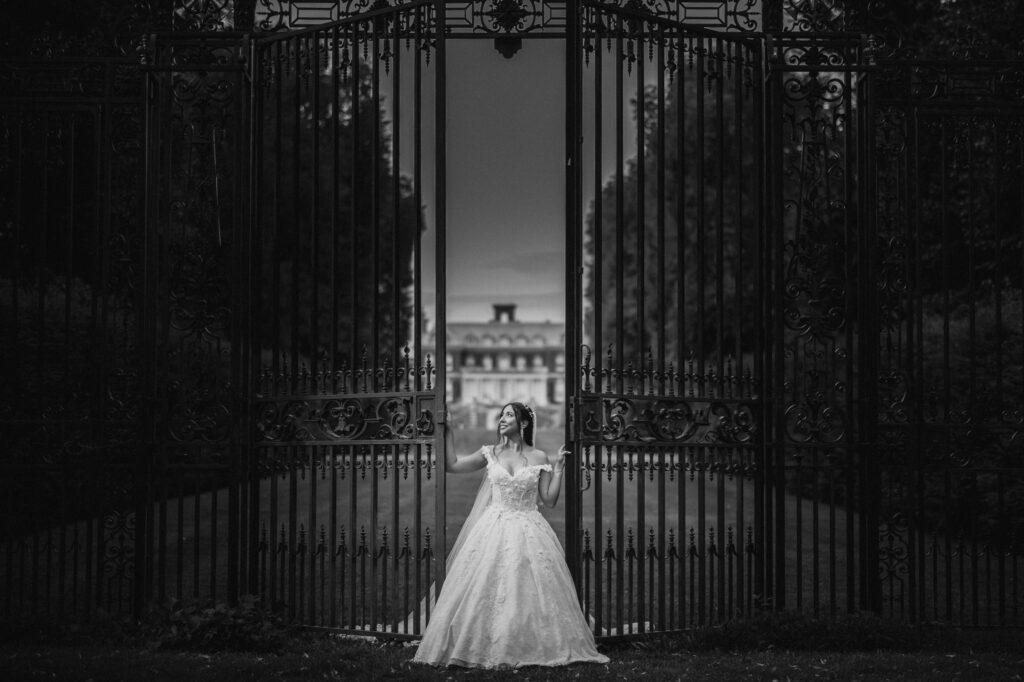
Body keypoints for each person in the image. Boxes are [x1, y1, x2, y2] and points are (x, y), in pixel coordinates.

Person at [411, 402, 609, 669]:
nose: (501, 419)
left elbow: (549, 500)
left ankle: (531, 641)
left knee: (532, 588)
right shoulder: (489, 453)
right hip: (493, 526)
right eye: (501, 415)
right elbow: (452, 465)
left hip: (530, 528)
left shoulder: (539, 456)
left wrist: (559, 468)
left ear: (524, 423)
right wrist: (449, 429)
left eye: (508, 415)